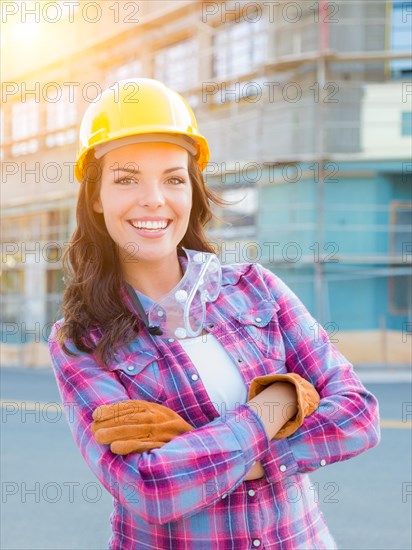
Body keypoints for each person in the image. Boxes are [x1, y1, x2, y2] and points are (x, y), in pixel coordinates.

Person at [48, 78, 381, 549]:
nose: (153, 199)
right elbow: (151, 490)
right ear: (97, 197)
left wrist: (223, 453)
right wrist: (278, 403)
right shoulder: (80, 340)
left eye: (173, 178)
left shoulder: (257, 290)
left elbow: (358, 415)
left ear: (191, 191)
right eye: (126, 179)